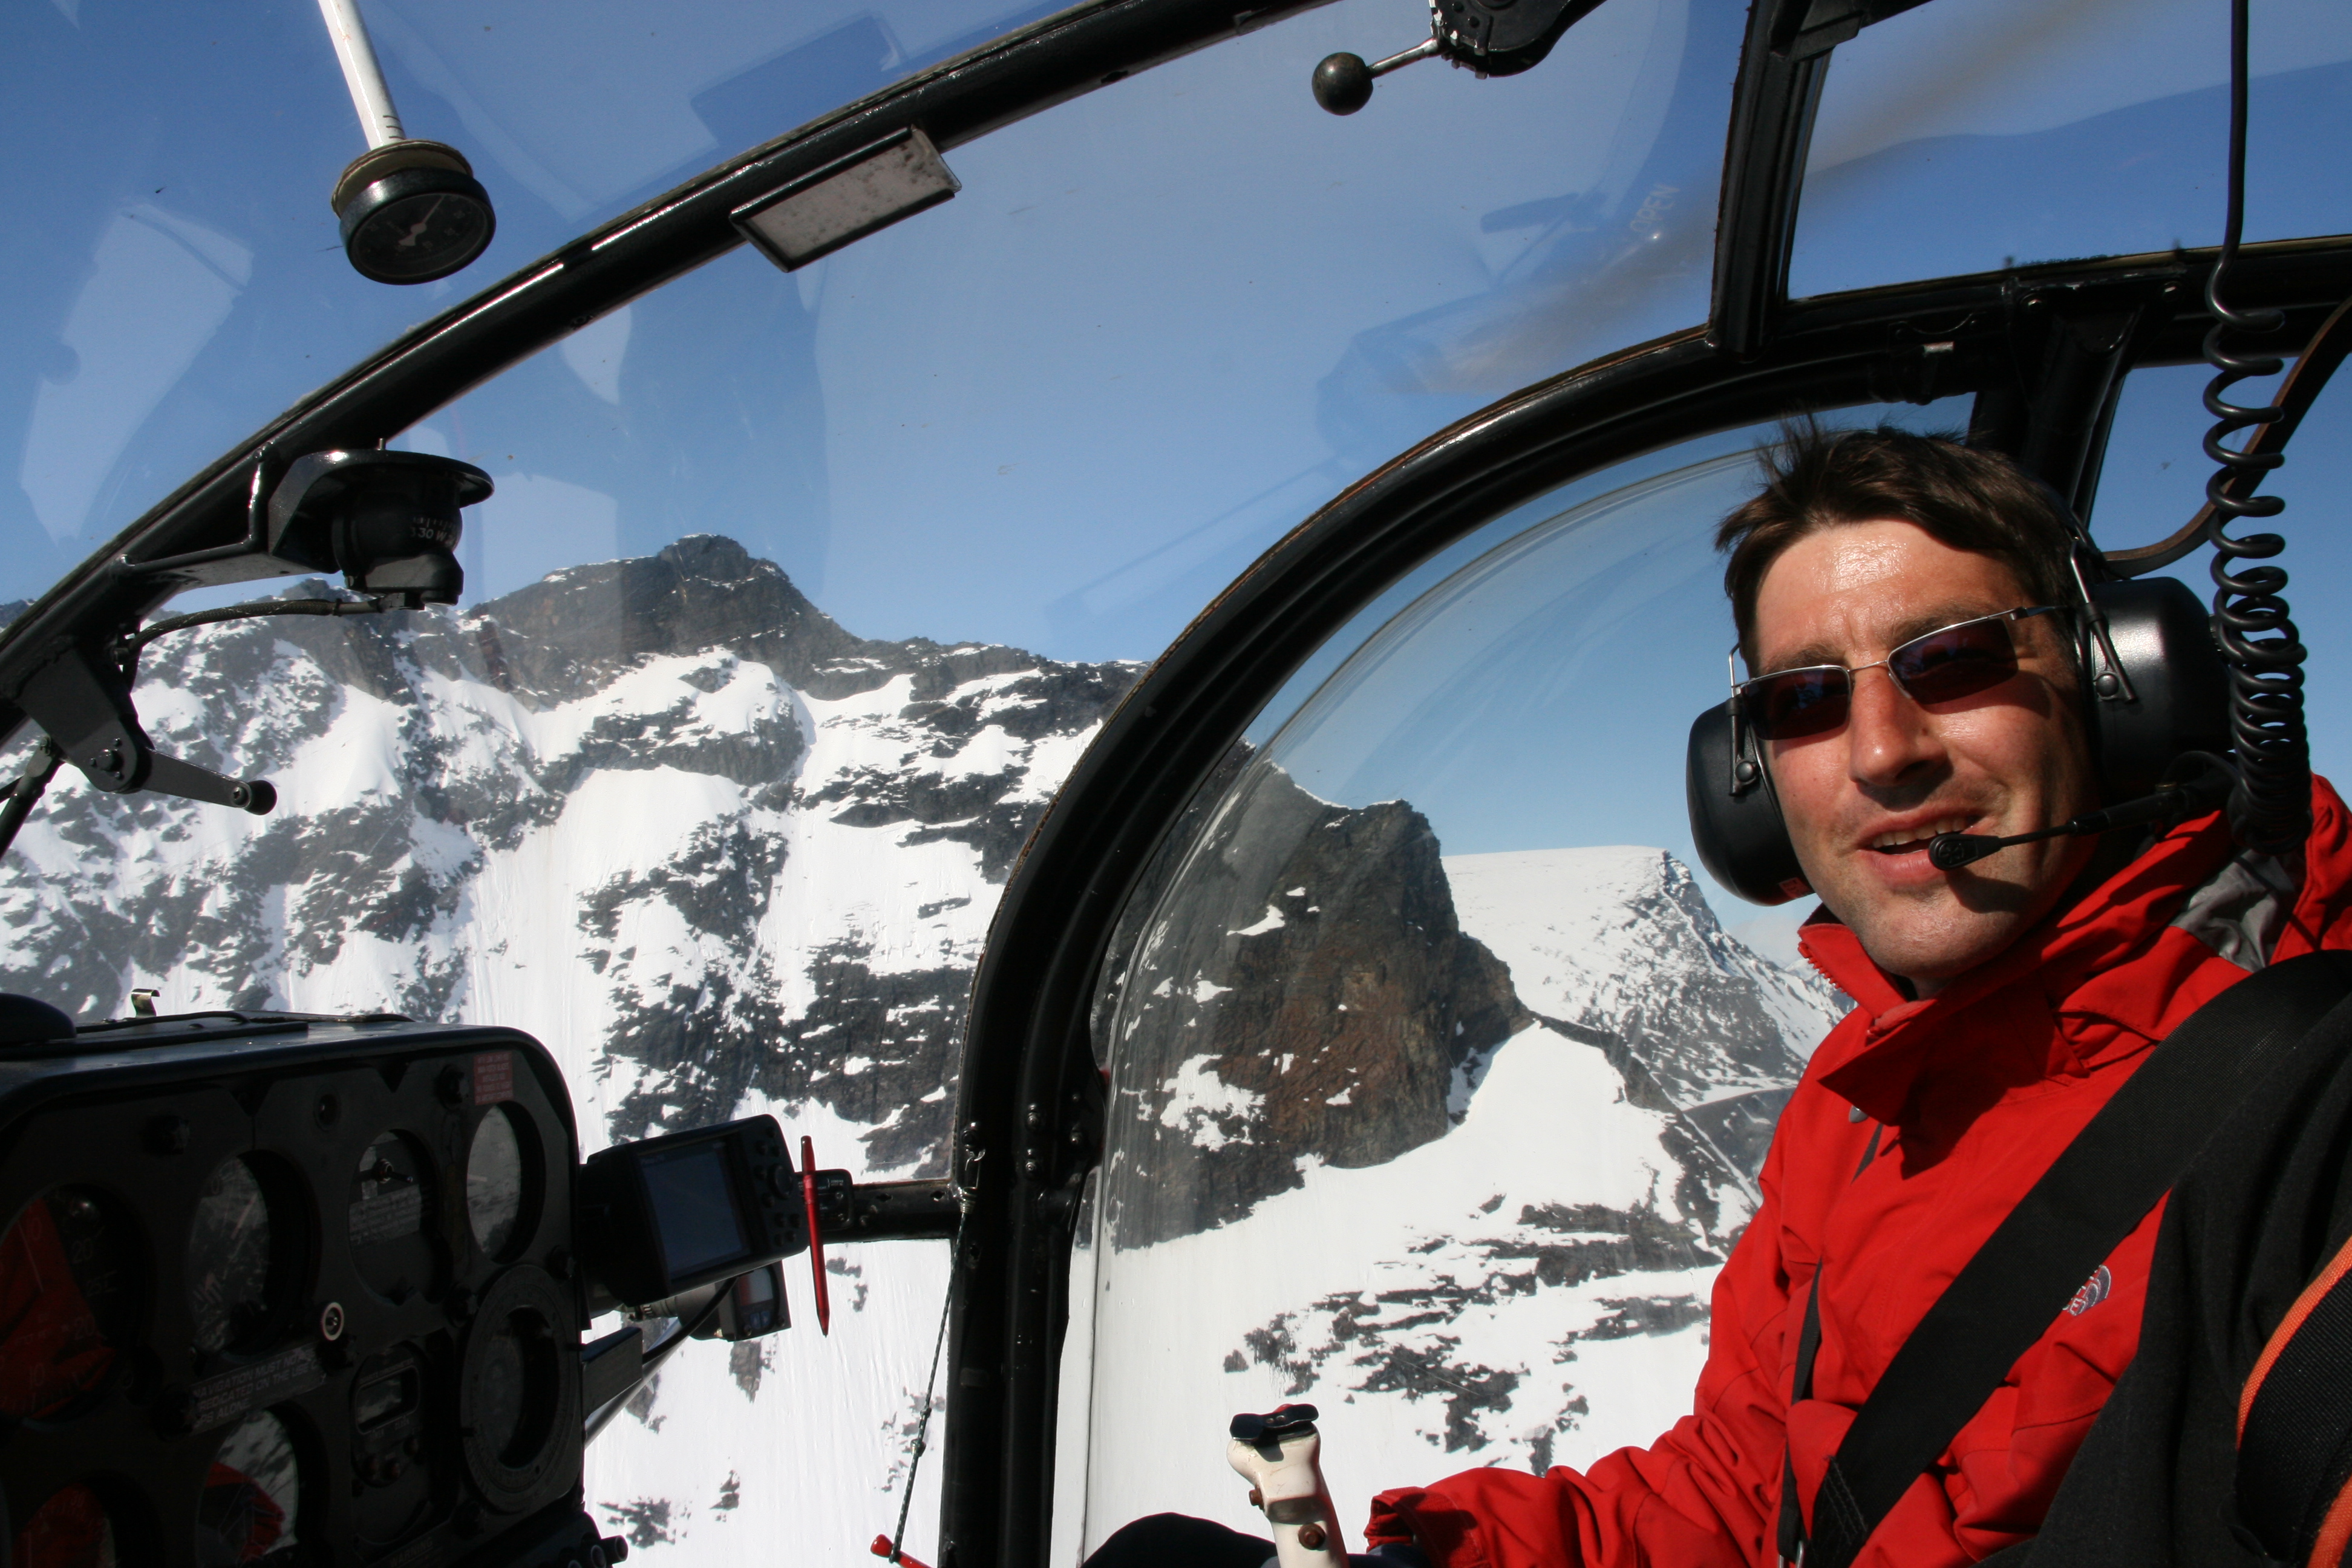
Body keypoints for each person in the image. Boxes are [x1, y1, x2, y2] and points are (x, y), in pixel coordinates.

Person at [1089, 424, 2352, 1568]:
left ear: (2115, 679)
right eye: (1804, 699)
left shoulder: (2312, 1097)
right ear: (1746, 782)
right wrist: (1431, 1567)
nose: (1882, 749)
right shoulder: (1859, 1099)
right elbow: (1760, 1494)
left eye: (1954, 661)